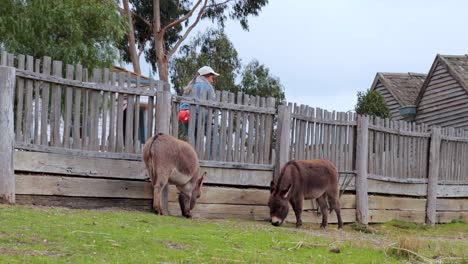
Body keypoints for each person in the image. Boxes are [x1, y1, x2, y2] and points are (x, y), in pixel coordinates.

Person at [178, 66, 220, 151]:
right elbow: (213, 104)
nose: (212, 81)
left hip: (185, 116)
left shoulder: (190, 86)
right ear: (207, 75)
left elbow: (183, 103)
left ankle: (192, 161)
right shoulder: (207, 87)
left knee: (193, 140)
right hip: (198, 115)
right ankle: (213, 160)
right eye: (212, 78)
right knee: (213, 136)